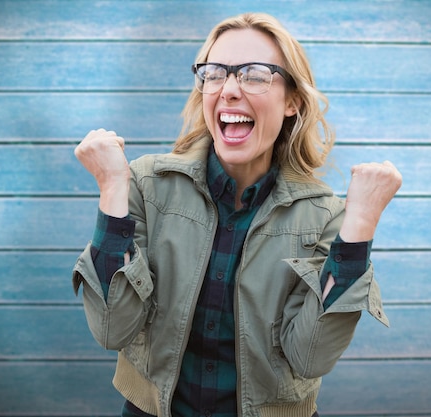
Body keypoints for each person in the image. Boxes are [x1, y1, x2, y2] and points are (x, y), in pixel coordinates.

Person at [72, 12, 402, 417]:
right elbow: (111, 329)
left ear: (292, 101)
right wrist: (112, 190)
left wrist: (359, 229)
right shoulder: (142, 185)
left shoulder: (324, 218)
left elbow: (310, 357)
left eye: (255, 74)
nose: (228, 89)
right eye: (214, 73)